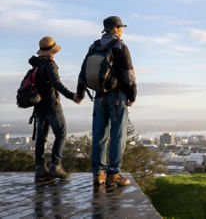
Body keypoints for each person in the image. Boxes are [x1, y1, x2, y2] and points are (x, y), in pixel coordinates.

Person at [76, 16, 137, 187]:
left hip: (98, 96)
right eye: (121, 27)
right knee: (117, 135)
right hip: (118, 97)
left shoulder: (94, 46)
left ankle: (98, 174)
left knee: (99, 135)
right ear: (116, 28)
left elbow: (83, 72)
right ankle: (113, 174)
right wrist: (132, 96)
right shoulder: (120, 46)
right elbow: (129, 76)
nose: (122, 30)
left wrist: (80, 93)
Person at [30, 36, 81, 182]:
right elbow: (56, 84)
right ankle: (55, 166)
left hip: (38, 106)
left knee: (41, 138)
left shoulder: (36, 64)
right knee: (61, 133)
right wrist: (73, 96)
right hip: (52, 105)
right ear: (53, 51)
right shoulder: (50, 65)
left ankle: (40, 169)